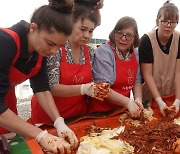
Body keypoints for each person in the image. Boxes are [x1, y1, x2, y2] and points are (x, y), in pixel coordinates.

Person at [0, 0, 79, 153]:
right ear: (33, 27)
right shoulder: (5, 43)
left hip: (6, 106)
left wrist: (59, 122)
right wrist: (41, 135)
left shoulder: (40, 50)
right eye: (50, 43)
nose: (54, 51)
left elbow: (41, 88)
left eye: (59, 46)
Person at [31, 2, 104, 123]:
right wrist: (83, 89)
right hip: (49, 115)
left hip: (78, 114)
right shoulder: (55, 48)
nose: (87, 35)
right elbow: (51, 86)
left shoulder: (90, 52)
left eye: (90, 31)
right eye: (82, 29)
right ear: (70, 25)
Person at [88, 16, 143, 118]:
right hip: (101, 112)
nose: (123, 38)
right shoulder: (104, 52)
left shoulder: (135, 53)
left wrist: (138, 100)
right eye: (120, 33)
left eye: (129, 35)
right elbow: (102, 88)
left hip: (122, 111)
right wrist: (128, 103)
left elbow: (137, 80)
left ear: (134, 37)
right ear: (114, 33)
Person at [139, 1, 180, 116]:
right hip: (150, 96)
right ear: (157, 21)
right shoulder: (146, 41)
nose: (168, 25)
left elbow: (178, 72)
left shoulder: (179, 39)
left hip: (170, 93)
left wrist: (177, 100)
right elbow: (147, 75)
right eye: (164, 21)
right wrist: (159, 101)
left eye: (173, 22)